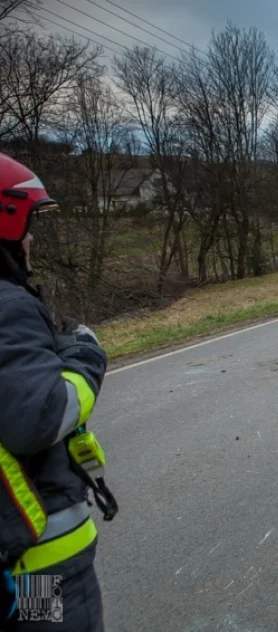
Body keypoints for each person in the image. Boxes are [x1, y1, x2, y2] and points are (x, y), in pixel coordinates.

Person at [0, 152, 110, 630]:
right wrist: (85, 354)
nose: (30, 238)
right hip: (39, 563)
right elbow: (41, 416)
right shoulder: (8, 306)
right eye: (27, 223)